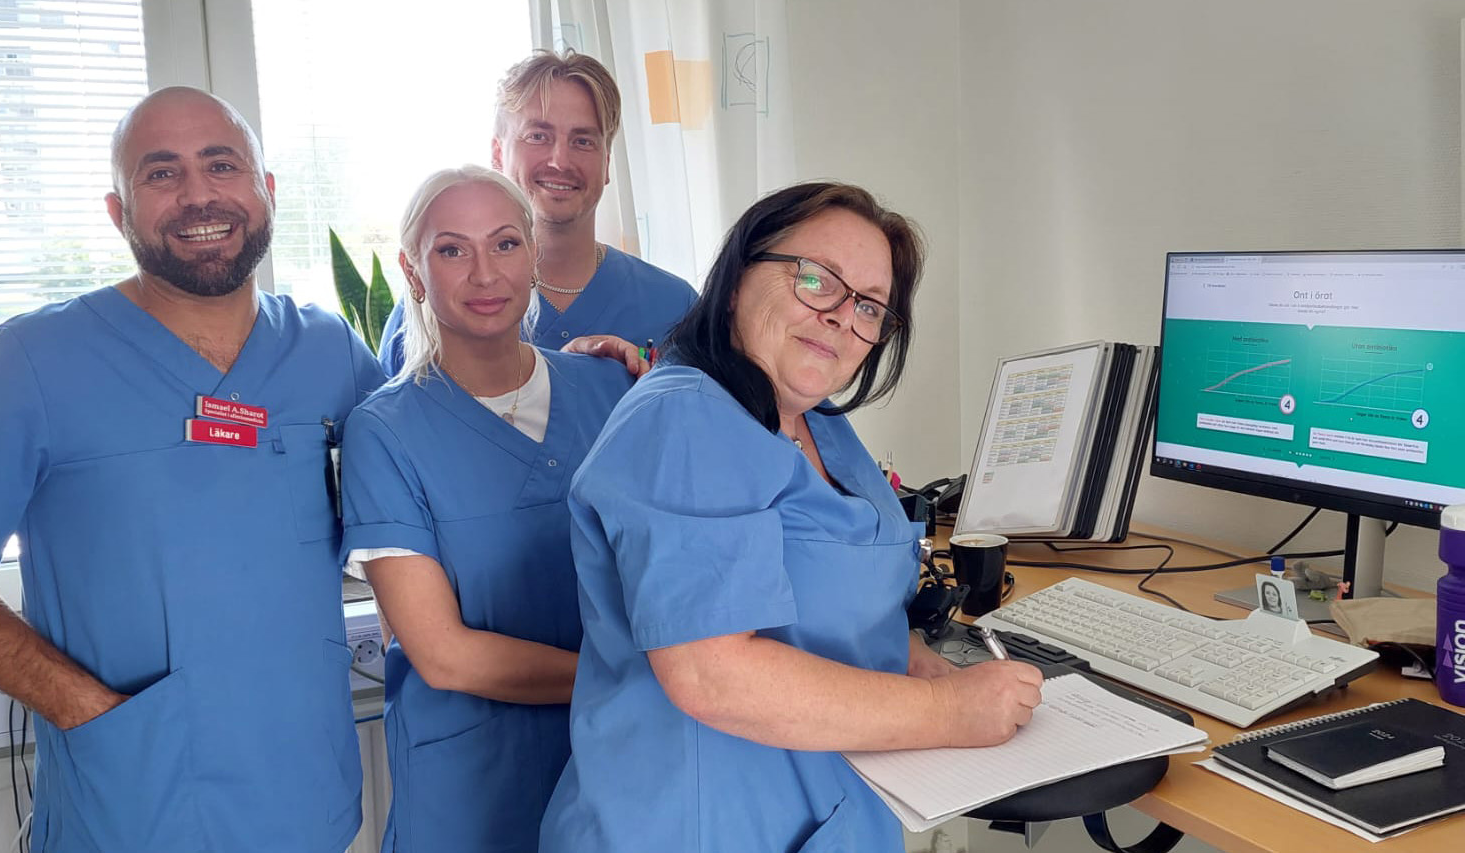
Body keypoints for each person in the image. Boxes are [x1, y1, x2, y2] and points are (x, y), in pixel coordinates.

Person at [0, 87, 381, 852]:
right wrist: (82, 706)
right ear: (119, 212)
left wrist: (582, 370)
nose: (199, 194)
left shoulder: (329, 349)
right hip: (133, 804)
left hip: (307, 795)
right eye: (161, 174)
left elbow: (432, 461)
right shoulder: (33, 362)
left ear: (266, 191)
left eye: (222, 164)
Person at [540, 182, 1045, 851]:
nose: (842, 316)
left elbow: (837, 596)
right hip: (696, 823)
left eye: (869, 305)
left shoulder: (819, 425)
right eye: (816, 279)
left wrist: (918, 659)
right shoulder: (686, 418)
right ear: (736, 276)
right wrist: (948, 710)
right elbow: (712, 674)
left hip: (822, 808)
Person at [339, 164, 646, 852]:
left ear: (534, 253)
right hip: (470, 786)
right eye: (451, 249)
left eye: (505, 243)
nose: (485, 273)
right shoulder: (384, 432)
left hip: (614, 766)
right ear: (413, 273)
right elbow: (443, 655)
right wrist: (637, 680)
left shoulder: (609, 390)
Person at [375, 49, 695, 374]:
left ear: (607, 162)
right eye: (538, 136)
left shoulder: (673, 307)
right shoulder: (434, 311)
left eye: (583, 141)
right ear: (498, 154)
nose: (560, 161)